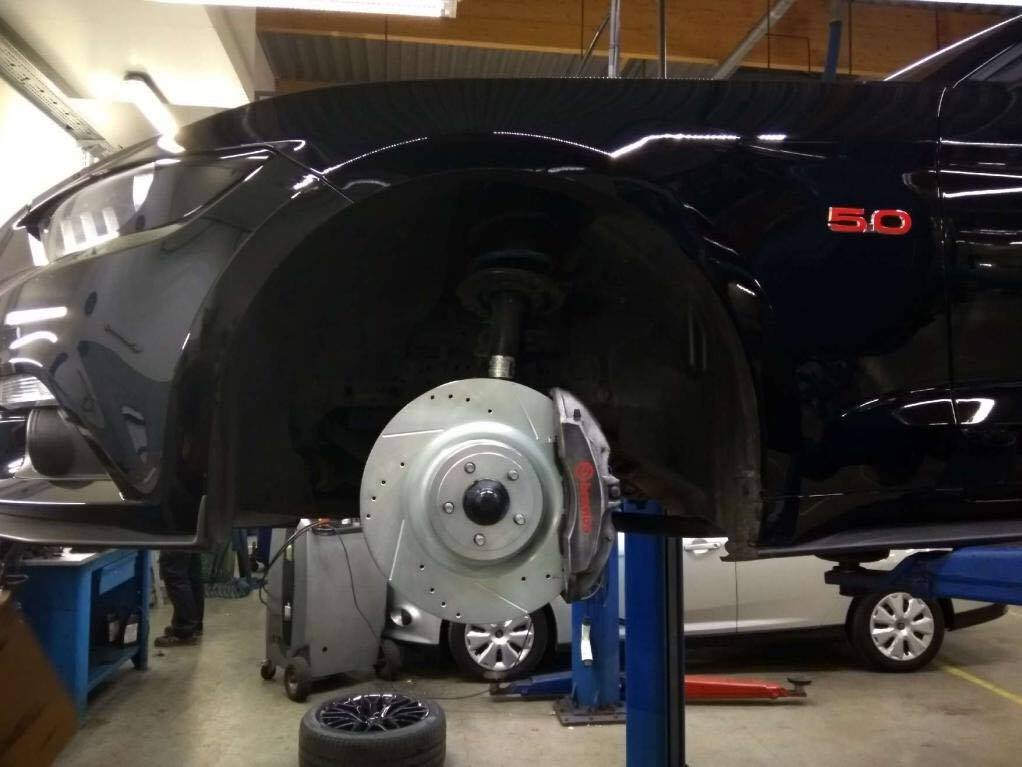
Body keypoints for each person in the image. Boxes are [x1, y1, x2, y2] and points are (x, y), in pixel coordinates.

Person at [155, 551, 204, 647]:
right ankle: (194, 625)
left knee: (175, 573)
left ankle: (184, 631)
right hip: (191, 541)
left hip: (177, 542)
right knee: (191, 571)